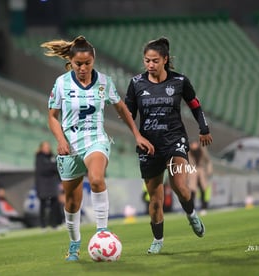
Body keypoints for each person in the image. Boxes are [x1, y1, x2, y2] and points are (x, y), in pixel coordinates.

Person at [41, 35, 154, 261]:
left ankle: (102, 231)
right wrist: (61, 140)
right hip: (70, 146)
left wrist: (137, 134)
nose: (83, 68)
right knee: (72, 203)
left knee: (96, 178)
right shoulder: (61, 83)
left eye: (87, 63)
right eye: (78, 64)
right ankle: (74, 245)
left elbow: (121, 109)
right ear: (70, 63)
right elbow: (53, 117)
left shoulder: (104, 82)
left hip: (96, 140)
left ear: (93, 61)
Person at [124, 37, 213, 254]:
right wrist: (137, 135)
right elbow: (127, 114)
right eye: (146, 60)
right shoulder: (136, 83)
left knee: (180, 186)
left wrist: (204, 128)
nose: (150, 65)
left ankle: (191, 215)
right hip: (149, 146)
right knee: (155, 200)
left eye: (154, 60)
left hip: (174, 140)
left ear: (165, 59)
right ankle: (158, 240)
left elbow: (195, 105)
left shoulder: (180, 81)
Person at [35, 141, 62, 230]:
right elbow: (43, 170)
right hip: (43, 184)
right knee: (43, 204)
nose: (47, 148)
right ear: (41, 148)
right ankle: (43, 225)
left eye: (48, 146)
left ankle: (54, 224)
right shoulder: (39, 157)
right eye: (45, 147)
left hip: (53, 184)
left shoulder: (53, 156)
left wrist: (60, 181)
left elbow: (58, 168)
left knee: (54, 204)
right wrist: (52, 167)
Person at [188, 140, 213, 215]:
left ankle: (204, 207)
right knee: (192, 191)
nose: (194, 146)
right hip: (192, 173)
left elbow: (208, 161)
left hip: (202, 172)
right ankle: (192, 209)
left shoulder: (202, 150)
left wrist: (209, 171)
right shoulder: (188, 152)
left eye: (195, 144)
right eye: (192, 144)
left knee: (203, 190)